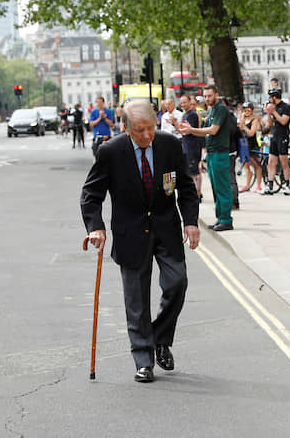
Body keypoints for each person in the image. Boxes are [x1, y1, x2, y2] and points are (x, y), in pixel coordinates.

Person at [80, 100, 200, 383]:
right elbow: (91, 194)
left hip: (166, 228)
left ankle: (160, 337)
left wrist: (191, 221)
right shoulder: (111, 151)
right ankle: (144, 359)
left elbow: (184, 186)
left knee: (177, 282)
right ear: (126, 127)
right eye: (140, 130)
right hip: (130, 234)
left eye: (150, 129)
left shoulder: (169, 145)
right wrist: (95, 227)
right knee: (136, 302)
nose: (146, 136)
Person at [178, 84, 234, 231]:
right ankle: (220, 218)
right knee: (216, 187)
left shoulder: (221, 108)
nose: (207, 98)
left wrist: (191, 130)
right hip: (211, 153)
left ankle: (226, 219)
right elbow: (204, 130)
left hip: (220, 153)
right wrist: (189, 130)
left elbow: (213, 130)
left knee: (222, 187)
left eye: (210, 95)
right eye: (205, 96)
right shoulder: (212, 110)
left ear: (216, 95)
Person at [261, 87, 290, 195]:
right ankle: (270, 186)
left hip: (283, 135)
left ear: (275, 97)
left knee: (284, 161)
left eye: (270, 97)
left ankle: (287, 184)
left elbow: (284, 121)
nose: (269, 99)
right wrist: (269, 113)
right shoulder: (273, 108)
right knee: (271, 162)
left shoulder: (285, 107)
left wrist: (273, 111)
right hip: (274, 136)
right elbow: (270, 123)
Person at [178, 95, 204, 201]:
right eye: (181, 103)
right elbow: (183, 130)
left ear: (190, 102)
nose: (183, 104)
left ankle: (197, 194)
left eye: (185, 102)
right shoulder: (185, 115)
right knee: (191, 171)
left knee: (194, 172)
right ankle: (195, 194)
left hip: (193, 147)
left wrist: (182, 129)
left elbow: (189, 130)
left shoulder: (192, 115)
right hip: (187, 146)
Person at [239, 102, 263, 193]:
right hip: (244, 144)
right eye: (245, 110)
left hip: (252, 145)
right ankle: (247, 184)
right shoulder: (242, 119)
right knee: (247, 166)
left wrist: (244, 126)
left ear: (252, 111)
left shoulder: (254, 121)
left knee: (257, 165)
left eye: (248, 110)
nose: (247, 112)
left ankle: (258, 185)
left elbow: (251, 133)